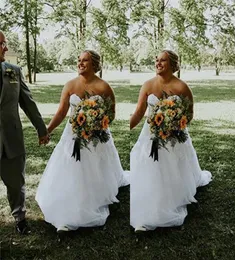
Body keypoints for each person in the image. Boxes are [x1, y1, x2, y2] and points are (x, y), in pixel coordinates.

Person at [36, 50, 129, 233]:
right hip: (73, 135)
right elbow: (62, 112)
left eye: (85, 60)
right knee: (72, 166)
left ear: (94, 64)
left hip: (96, 137)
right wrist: (47, 130)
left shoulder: (104, 87)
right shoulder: (70, 85)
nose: (80, 63)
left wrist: (95, 125)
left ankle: (94, 196)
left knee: (95, 167)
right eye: (79, 60)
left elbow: (111, 114)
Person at [130, 50, 212, 232]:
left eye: (163, 61)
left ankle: (173, 195)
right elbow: (138, 112)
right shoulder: (147, 85)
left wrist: (174, 125)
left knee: (173, 165)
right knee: (149, 162)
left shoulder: (182, 88)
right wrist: (130, 125)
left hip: (175, 135)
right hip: (150, 134)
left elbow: (189, 114)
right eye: (156, 60)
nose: (158, 63)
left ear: (173, 64)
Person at [0, 31, 49, 235]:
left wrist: (41, 128)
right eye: (1, 43)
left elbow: (28, 102)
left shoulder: (13, 71)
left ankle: (19, 218)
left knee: (16, 182)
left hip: (11, 137)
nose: (5, 47)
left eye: (5, 43)